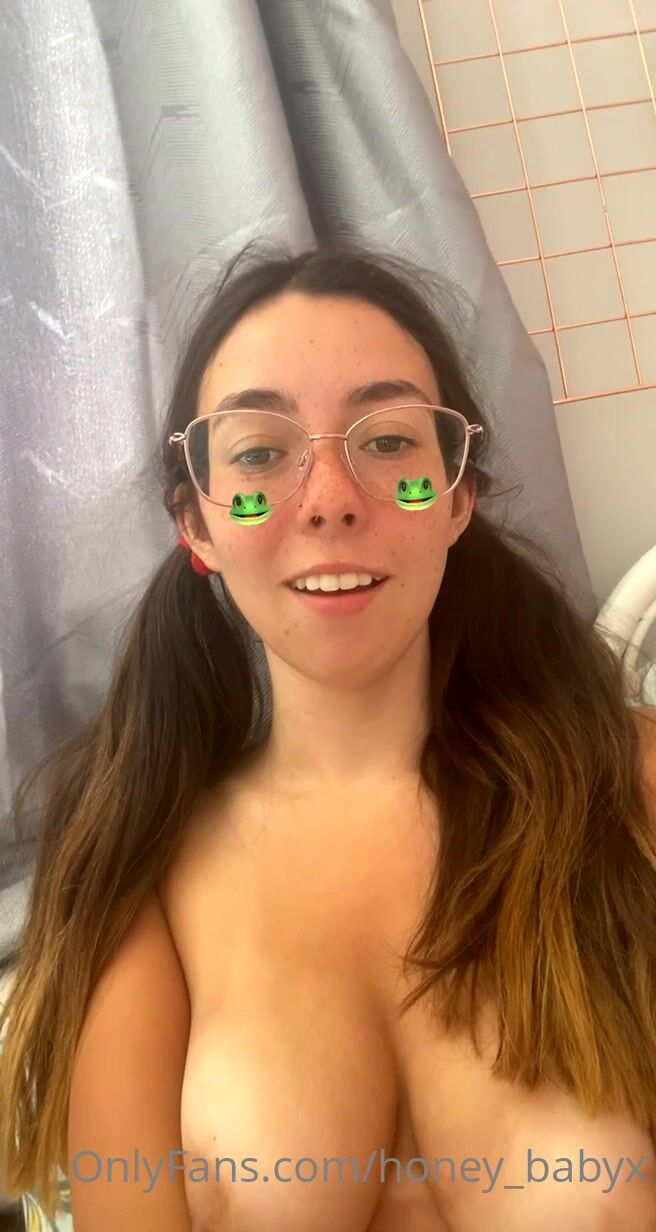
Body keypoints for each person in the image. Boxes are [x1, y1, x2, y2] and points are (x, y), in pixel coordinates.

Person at [1, 238, 655, 1232]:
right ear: (196, 525)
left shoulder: (629, 782)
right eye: (260, 452)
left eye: (387, 440)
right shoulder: (137, 867)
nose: (331, 498)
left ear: (458, 494)